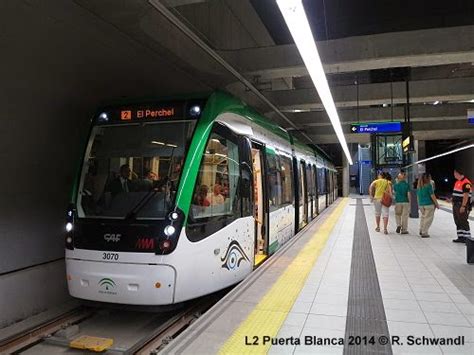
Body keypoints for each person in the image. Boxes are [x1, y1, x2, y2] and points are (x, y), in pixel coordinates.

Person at [451, 168, 472, 243]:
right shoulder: (457, 182)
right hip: (456, 205)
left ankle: (467, 238)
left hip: (461, 205)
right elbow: (456, 193)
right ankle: (461, 237)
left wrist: (463, 206)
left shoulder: (466, 183)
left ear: (458, 173)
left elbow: (466, 196)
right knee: (457, 221)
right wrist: (452, 200)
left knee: (463, 221)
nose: (454, 175)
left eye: (454, 173)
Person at [417, 173, 439, 238]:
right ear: (428, 178)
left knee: (423, 218)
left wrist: (419, 204)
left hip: (421, 205)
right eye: (430, 177)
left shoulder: (419, 186)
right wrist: (437, 204)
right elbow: (432, 196)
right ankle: (424, 232)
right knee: (428, 219)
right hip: (429, 204)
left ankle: (421, 230)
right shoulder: (428, 185)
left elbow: (418, 196)